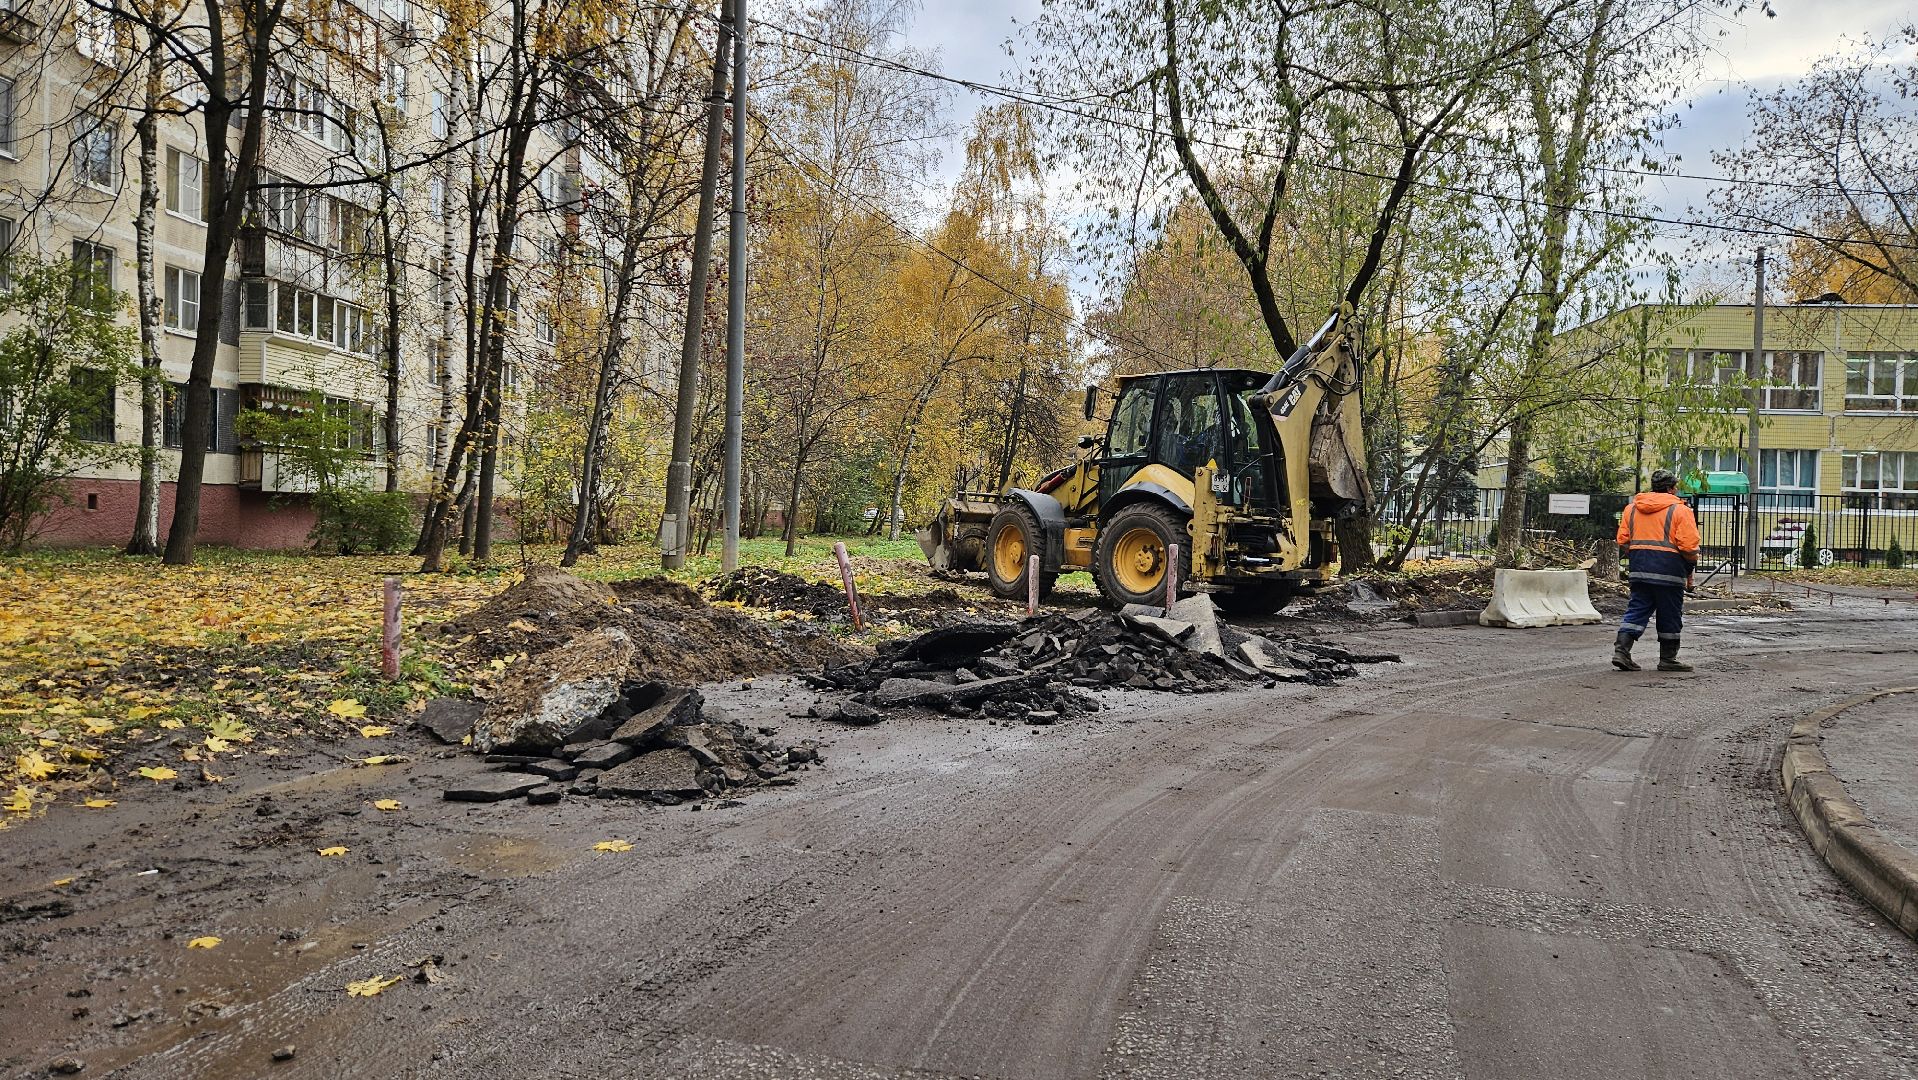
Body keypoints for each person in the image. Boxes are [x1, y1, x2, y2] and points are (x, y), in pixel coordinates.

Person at [1613, 468, 1701, 672]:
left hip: (1640, 568)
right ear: (1672, 489)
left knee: (1637, 609)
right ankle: (1668, 659)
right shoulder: (1681, 510)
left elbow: (1623, 540)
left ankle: (1621, 651)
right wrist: (1690, 563)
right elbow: (1688, 547)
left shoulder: (1632, 509)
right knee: (1669, 614)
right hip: (1669, 570)